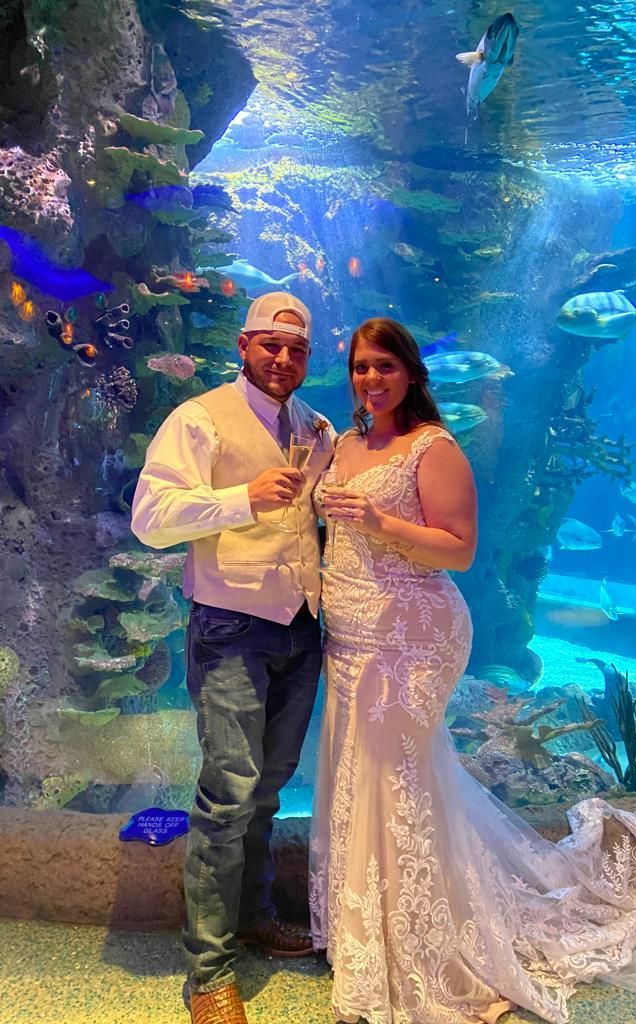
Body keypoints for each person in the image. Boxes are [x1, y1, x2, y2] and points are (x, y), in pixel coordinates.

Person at [310, 316, 636, 1024]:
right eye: (361, 366)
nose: (372, 378)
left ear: (411, 373)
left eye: (386, 366)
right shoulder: (343, 443)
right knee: (358, 776)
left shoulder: (432, 446)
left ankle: (428, 942)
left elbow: (459, 549)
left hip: (412, 639)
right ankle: (367, 927)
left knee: (396, 781)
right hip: (348, 638)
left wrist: (380, 522)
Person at [131, 292, 335, 1024]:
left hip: (300, 628)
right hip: (229, 627)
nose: (283, 358)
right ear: (243, 346)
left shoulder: (316, 428)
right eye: (270, 345)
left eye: (297, 349)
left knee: (268, 789)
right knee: (226, 794)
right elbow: (150, 518)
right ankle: (208, 969)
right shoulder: (200, 419)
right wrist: (240, 498)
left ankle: (253, 916)